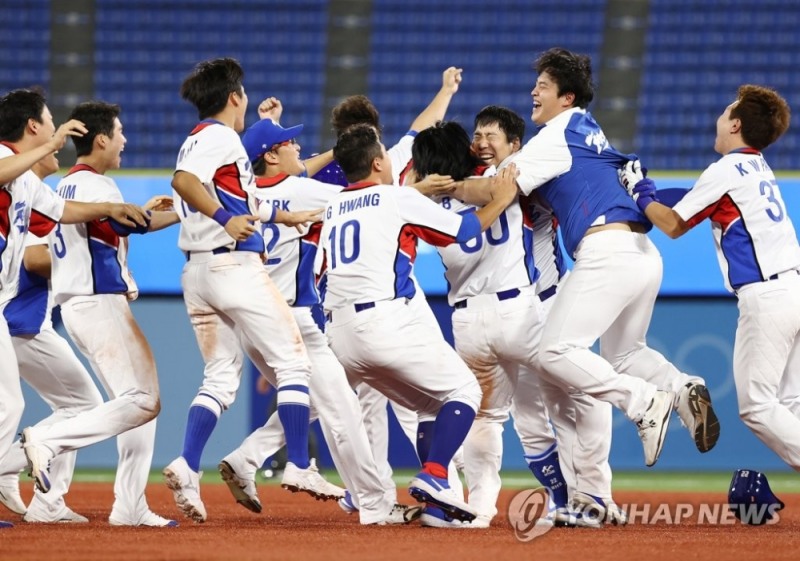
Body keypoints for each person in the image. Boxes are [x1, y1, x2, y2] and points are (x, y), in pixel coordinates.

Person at [454, 48, 718, 467]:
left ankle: (645, 403)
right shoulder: (588, 130)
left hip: (606, 250)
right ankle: (682, 386)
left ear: (567, 98)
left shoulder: (557, 136)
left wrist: (447, 187)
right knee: (625, 355)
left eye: (542, 86)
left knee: (554, 352)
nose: (533, 92)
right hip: (642, 252)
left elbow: (496, 189)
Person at [217, 117, 419, 525]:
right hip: (292, 319)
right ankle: (376, 504)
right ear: (271, 156)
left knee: (314, 402)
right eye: (290, 144)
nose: (300, 150)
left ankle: (247, 457)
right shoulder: (298, 187)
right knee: (343, 410)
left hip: (253, 322)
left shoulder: (245, 196)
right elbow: (368, 196)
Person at [317, 123, 517, 523]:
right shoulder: (395, 198)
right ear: (377, 162)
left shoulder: (333, 207)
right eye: (388, 157)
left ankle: (436, 509)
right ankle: (436, 474)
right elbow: (461, 231)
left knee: (430, 405)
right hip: (380, 320)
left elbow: (319, 275)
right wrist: (502, 197)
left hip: (337, 332)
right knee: (463, 390)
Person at [163, 57, 329, 524]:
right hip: (233, 264)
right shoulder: (217, 137)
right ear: (235, 95)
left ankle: (186, 464)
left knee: (220, 378)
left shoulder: (202, 141)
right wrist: (222, 218)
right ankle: (299, 465)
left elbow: (244, 199)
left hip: (197, 273)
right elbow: (184, 183)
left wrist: (281, 217)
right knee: (295, 362)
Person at [17, 100, 180, 527]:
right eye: (120, 132)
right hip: (99, 302)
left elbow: (120, 225)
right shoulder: (97, 186)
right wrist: (186, 210)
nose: (124, 140)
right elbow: (130, 225)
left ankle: (128, 504)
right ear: (102, 138)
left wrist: (149, 210)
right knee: (144, 400)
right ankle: (48, 439)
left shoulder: (67, 185)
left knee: (139, 399)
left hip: (76, 305)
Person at [621, 84, 800, 471]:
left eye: (724, 113)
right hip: (793, 288)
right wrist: (647, 194)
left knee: (757, 407)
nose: (718, 119)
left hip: (767, 295)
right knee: (791, 406)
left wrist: (638, 192)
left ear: (735, 124)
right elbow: (691, 198)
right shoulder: (756, 165)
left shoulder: (727, 168)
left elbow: (673, 224)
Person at [471, 105, 625, 524]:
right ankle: (565, 500)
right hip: (511, 312)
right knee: (530, 418)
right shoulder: (490, 179)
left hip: (550, 302)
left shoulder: (524, 175)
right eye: (478, 136)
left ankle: (594, 494)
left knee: (579, 398)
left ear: (515, 146)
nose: (483, 144)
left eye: (492, 137)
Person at [0, 150, 104, 524]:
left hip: (24, 320)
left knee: (75, 407)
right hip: (20, 322)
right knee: (83, 406)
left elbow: (67, 212)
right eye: (50, 139)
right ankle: (19, 472)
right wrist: (82, 258)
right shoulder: (23, 193)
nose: (57, 150)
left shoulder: (35, 192)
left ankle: (33, 488)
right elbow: (33, 260)